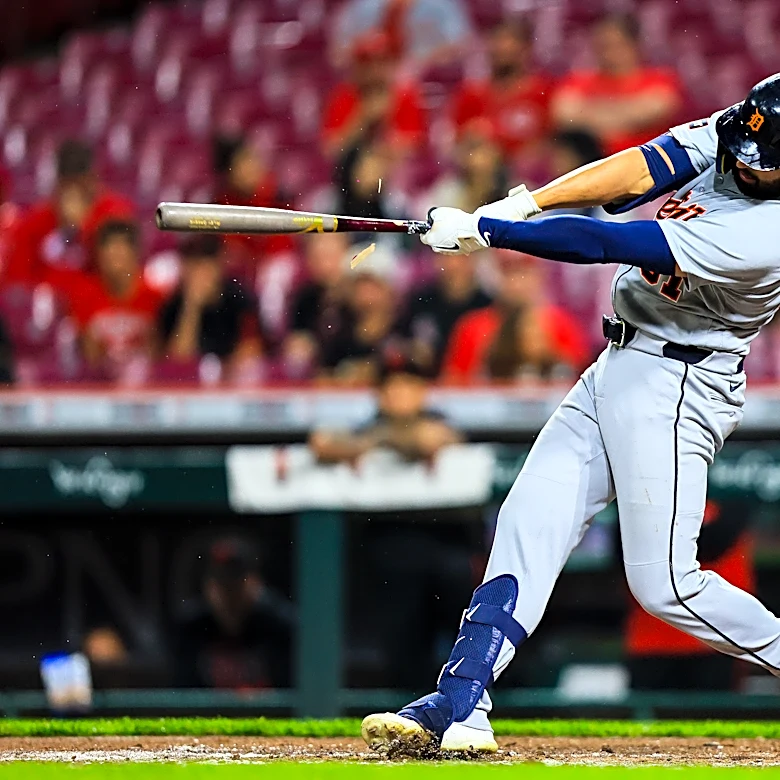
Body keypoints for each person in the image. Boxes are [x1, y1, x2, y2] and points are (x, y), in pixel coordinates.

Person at [362, 74, 780, 755]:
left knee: (668, 586)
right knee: (529, 519)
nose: (743, 163)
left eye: (763, 164)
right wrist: (526, 201)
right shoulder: (748, 128)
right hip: (619, 361)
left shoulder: (771, 231)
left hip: (678, 385)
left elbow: (611, 243)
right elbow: (642, 167)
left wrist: (489, 231)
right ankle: (462, 703)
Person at [625, 500, 754, 691]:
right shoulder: (642, 501)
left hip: (715, 642)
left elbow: (714, 541)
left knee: (713, 717)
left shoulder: (733, 503)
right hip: (652, 640)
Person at [5, 140, 134, 297]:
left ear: (93, 181)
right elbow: (17, 281)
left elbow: (121, 275)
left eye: (82, 187)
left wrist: (82, 227)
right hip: (47, 305)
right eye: (68, 186)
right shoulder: (35, 221)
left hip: (96, 305)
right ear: (58, 184)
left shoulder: (115, 215)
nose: (74, 195)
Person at [441, 251, 588, 383]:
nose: (517, 284)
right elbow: (452, 384)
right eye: (509, 273)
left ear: (539, 275)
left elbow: (584, 382)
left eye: (524, 273)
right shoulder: (472, 327)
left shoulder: (562, 324)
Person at [552, 13, 683, 157]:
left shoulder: (660, 79)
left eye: (616, 44)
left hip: (647, 165)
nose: (609, 53)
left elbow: (656, 110)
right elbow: (565, 117)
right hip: (595, 164)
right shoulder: (579, 80)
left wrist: (591, 114)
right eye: (603, 46)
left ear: (634, 44)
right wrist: (627, 114)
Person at [172, 537, 295, 689]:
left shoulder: (280, 625)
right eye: (222, 586)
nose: (229, 596)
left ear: (255, 583)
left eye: (236, 585)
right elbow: (184, 692)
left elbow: (292, 690)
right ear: (208, 587)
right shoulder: (192, 627)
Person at [310, 358, 462, 464]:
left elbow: (427, 442)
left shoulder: (437, 419)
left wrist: (383, 441)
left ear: (421, 393)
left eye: (407, 387)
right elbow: (321, 442)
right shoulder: (374, 424)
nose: (398, 395)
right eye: (392, 388)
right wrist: (367, 443)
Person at [158, 235, 263, 383]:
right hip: (190, 387)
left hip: (233, 385)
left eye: (205, 265)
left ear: (219, 266)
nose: (200, 274)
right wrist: (191, 307)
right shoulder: (173, 306)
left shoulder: (240, 299)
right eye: (194, 266)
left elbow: (251, 353)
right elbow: (178, 363)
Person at [72, 220, 161, 383]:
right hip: (101, 387)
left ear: (135, 254)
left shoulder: (154, 297)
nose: (114, 260)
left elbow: (157, 356)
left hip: (146, 389)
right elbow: (89, 359)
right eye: (108, 253)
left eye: (120, 252)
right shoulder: (85, 297)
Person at [450, 19, 553, 160]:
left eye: (510, 43)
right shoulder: (471, 94)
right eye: (498, 43)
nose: (502, 48)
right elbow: (458, 146)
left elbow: (550, 142)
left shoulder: (542, 91)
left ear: (526, 49)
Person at [321, 31, 426, 161]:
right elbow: (331, 150)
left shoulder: (405, 95)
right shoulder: (345, 96)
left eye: (381, 62)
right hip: (349, 174)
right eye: (367, 63)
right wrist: (363, 118)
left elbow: (411, 150)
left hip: (397, 176)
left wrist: (385, 120)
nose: (375, 70)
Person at [318, 243, 404, 385]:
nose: (365, 294)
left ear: (389, 289)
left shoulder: (405, 327)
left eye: (373, 285)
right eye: (359, 285)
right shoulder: (337, 330)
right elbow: (321, 378)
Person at [401, 251, 492, 376]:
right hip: (425, 382)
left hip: (471, 385)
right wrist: (411, 351)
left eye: (461, 258)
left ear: (474, 261)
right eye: (446, 257)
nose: (453, 265)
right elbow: (400, 342)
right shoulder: (420, 302)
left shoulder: (487, 305)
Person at [213, 135, 294, 273]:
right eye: (242, 164)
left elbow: (285, 247)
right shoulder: (222, 207)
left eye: (252, 160)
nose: (251, 168)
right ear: (229, 173)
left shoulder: (278, 195)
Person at [282, 233, 352, 380]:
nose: (324, 265)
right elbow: (296, 344)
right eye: (317, 257)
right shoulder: (305, 298)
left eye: (330, 257)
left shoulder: (359, 295)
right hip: (316, 379)